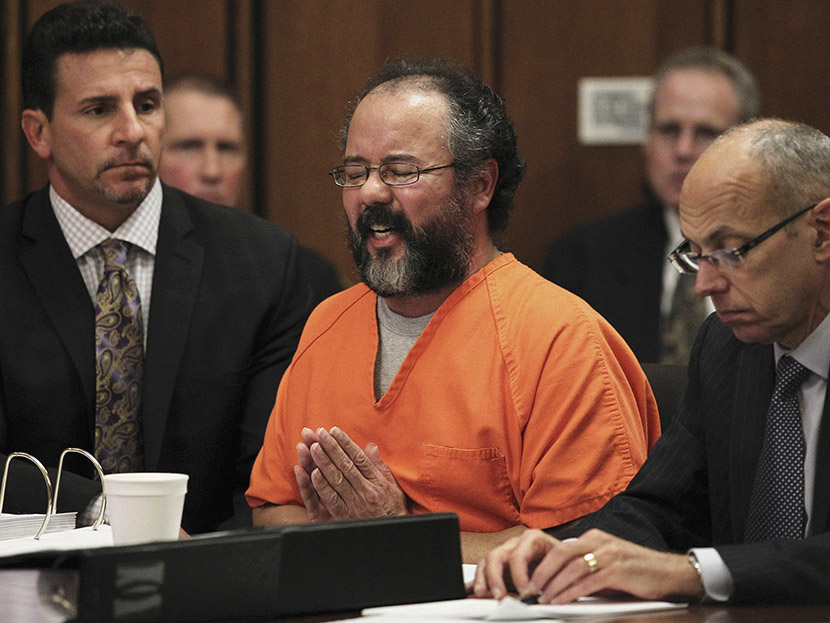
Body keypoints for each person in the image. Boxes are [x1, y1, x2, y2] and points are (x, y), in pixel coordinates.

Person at [246, 58, 660, 563]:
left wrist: (398, 536)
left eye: (402, 171)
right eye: (355, 173)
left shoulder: (561, 339)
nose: (371, 193)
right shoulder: (327, 322)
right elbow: (271, 511)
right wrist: (373, 539)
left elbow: (590, 548)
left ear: (480, 186)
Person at [475, 119, 830, 605]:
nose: (704, 286)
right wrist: (566, 555)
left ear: (823, 232)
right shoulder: (725, 346)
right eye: (695, 254)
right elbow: (660, 507)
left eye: (729, 252)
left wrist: (694, 573)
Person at [0, 0, 310, 533]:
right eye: (99, 110)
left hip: (219, 586)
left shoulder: (262, 264)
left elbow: (268, 477)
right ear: (38, 133)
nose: (132, 131)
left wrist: (203, 568)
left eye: (147, 104)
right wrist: (114, 520)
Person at [543, 48, 760, 363]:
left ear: (747, 143)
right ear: (646, 140)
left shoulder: (778, 254)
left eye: (706, 133)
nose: (683, 150)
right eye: (669, 130)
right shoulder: (581, 258)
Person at [159, 73, 344, 308]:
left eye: (226, 148)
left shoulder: (303, 277)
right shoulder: (129, 271)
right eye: (189, 147)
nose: (212, 171)